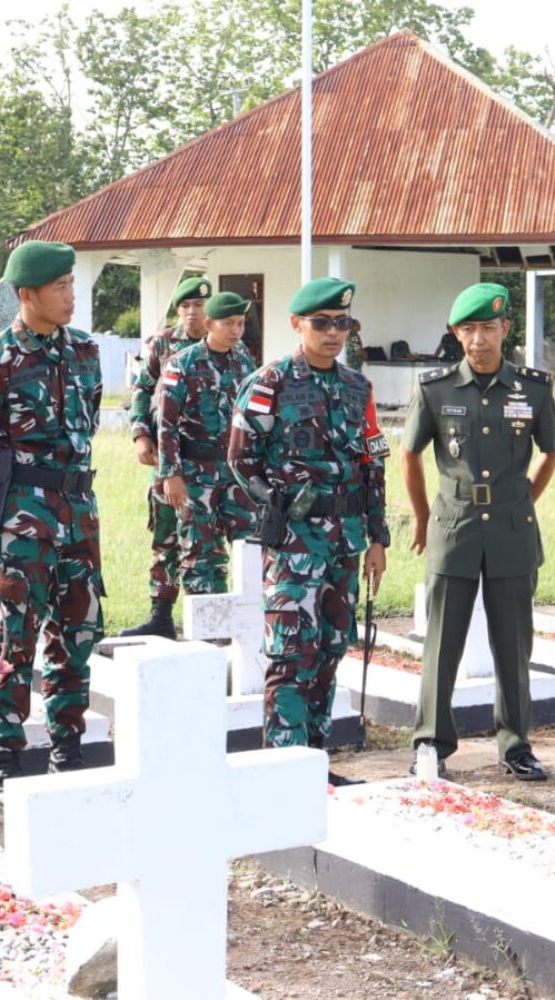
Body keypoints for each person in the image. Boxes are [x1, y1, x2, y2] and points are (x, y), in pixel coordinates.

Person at [0, 240, 104, 812]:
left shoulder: (86, 353)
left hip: (77, 515)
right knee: (12, 639)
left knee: (78, 634)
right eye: (60, 287)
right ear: (27, 295)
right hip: (20, 518)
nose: (72, 296)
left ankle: (68, 749)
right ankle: (3, 761)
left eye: (72, 284)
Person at [229, 277, 389, 782]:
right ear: (297, 324)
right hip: (296, 541)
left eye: (342, 323)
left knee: (332, 646)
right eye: (322, 323)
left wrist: (378, 537)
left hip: (345, 539)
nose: (333, 332)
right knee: (292, 651)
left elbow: (373, 462)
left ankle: (314, 760)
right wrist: (274, 502)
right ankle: (282, 766)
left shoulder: (357, 387)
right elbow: (240, 458)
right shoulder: (270, 383)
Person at [400, 283, 555, 780]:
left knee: (513, 645)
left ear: (504, 330)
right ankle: (430, 743)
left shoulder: (533, 388)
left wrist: (523, 500)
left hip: (513, 530)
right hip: (455, 527)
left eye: (487, 328)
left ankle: (515, 745)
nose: (478, 339)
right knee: (442, 642)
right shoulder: (436, 388)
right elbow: (409, 453)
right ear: (455, 333)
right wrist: (424, 516)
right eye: (468, 330)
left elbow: (552, 450)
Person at [120, 275, 212, 639]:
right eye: (186, 306)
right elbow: (142, 389)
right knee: (165, 536)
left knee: (204, 543)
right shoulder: (163, 343)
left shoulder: (223, 344)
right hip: (167, 457)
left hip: (206, 462)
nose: (192, 313)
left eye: (199, 305)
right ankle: (161, 615)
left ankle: (204, 621)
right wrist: (140, 434)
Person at [155, 291, 257, 595]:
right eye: (228, 323)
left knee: (249, 543)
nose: (236, 330)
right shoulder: (182, 364)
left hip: (235, 473)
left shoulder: (244, 360)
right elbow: (166, 424)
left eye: (240, 323)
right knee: (200, 551)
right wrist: (170, 474)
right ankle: (208, 629)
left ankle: (249, 622)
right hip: (195, 473)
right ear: (210, 323)